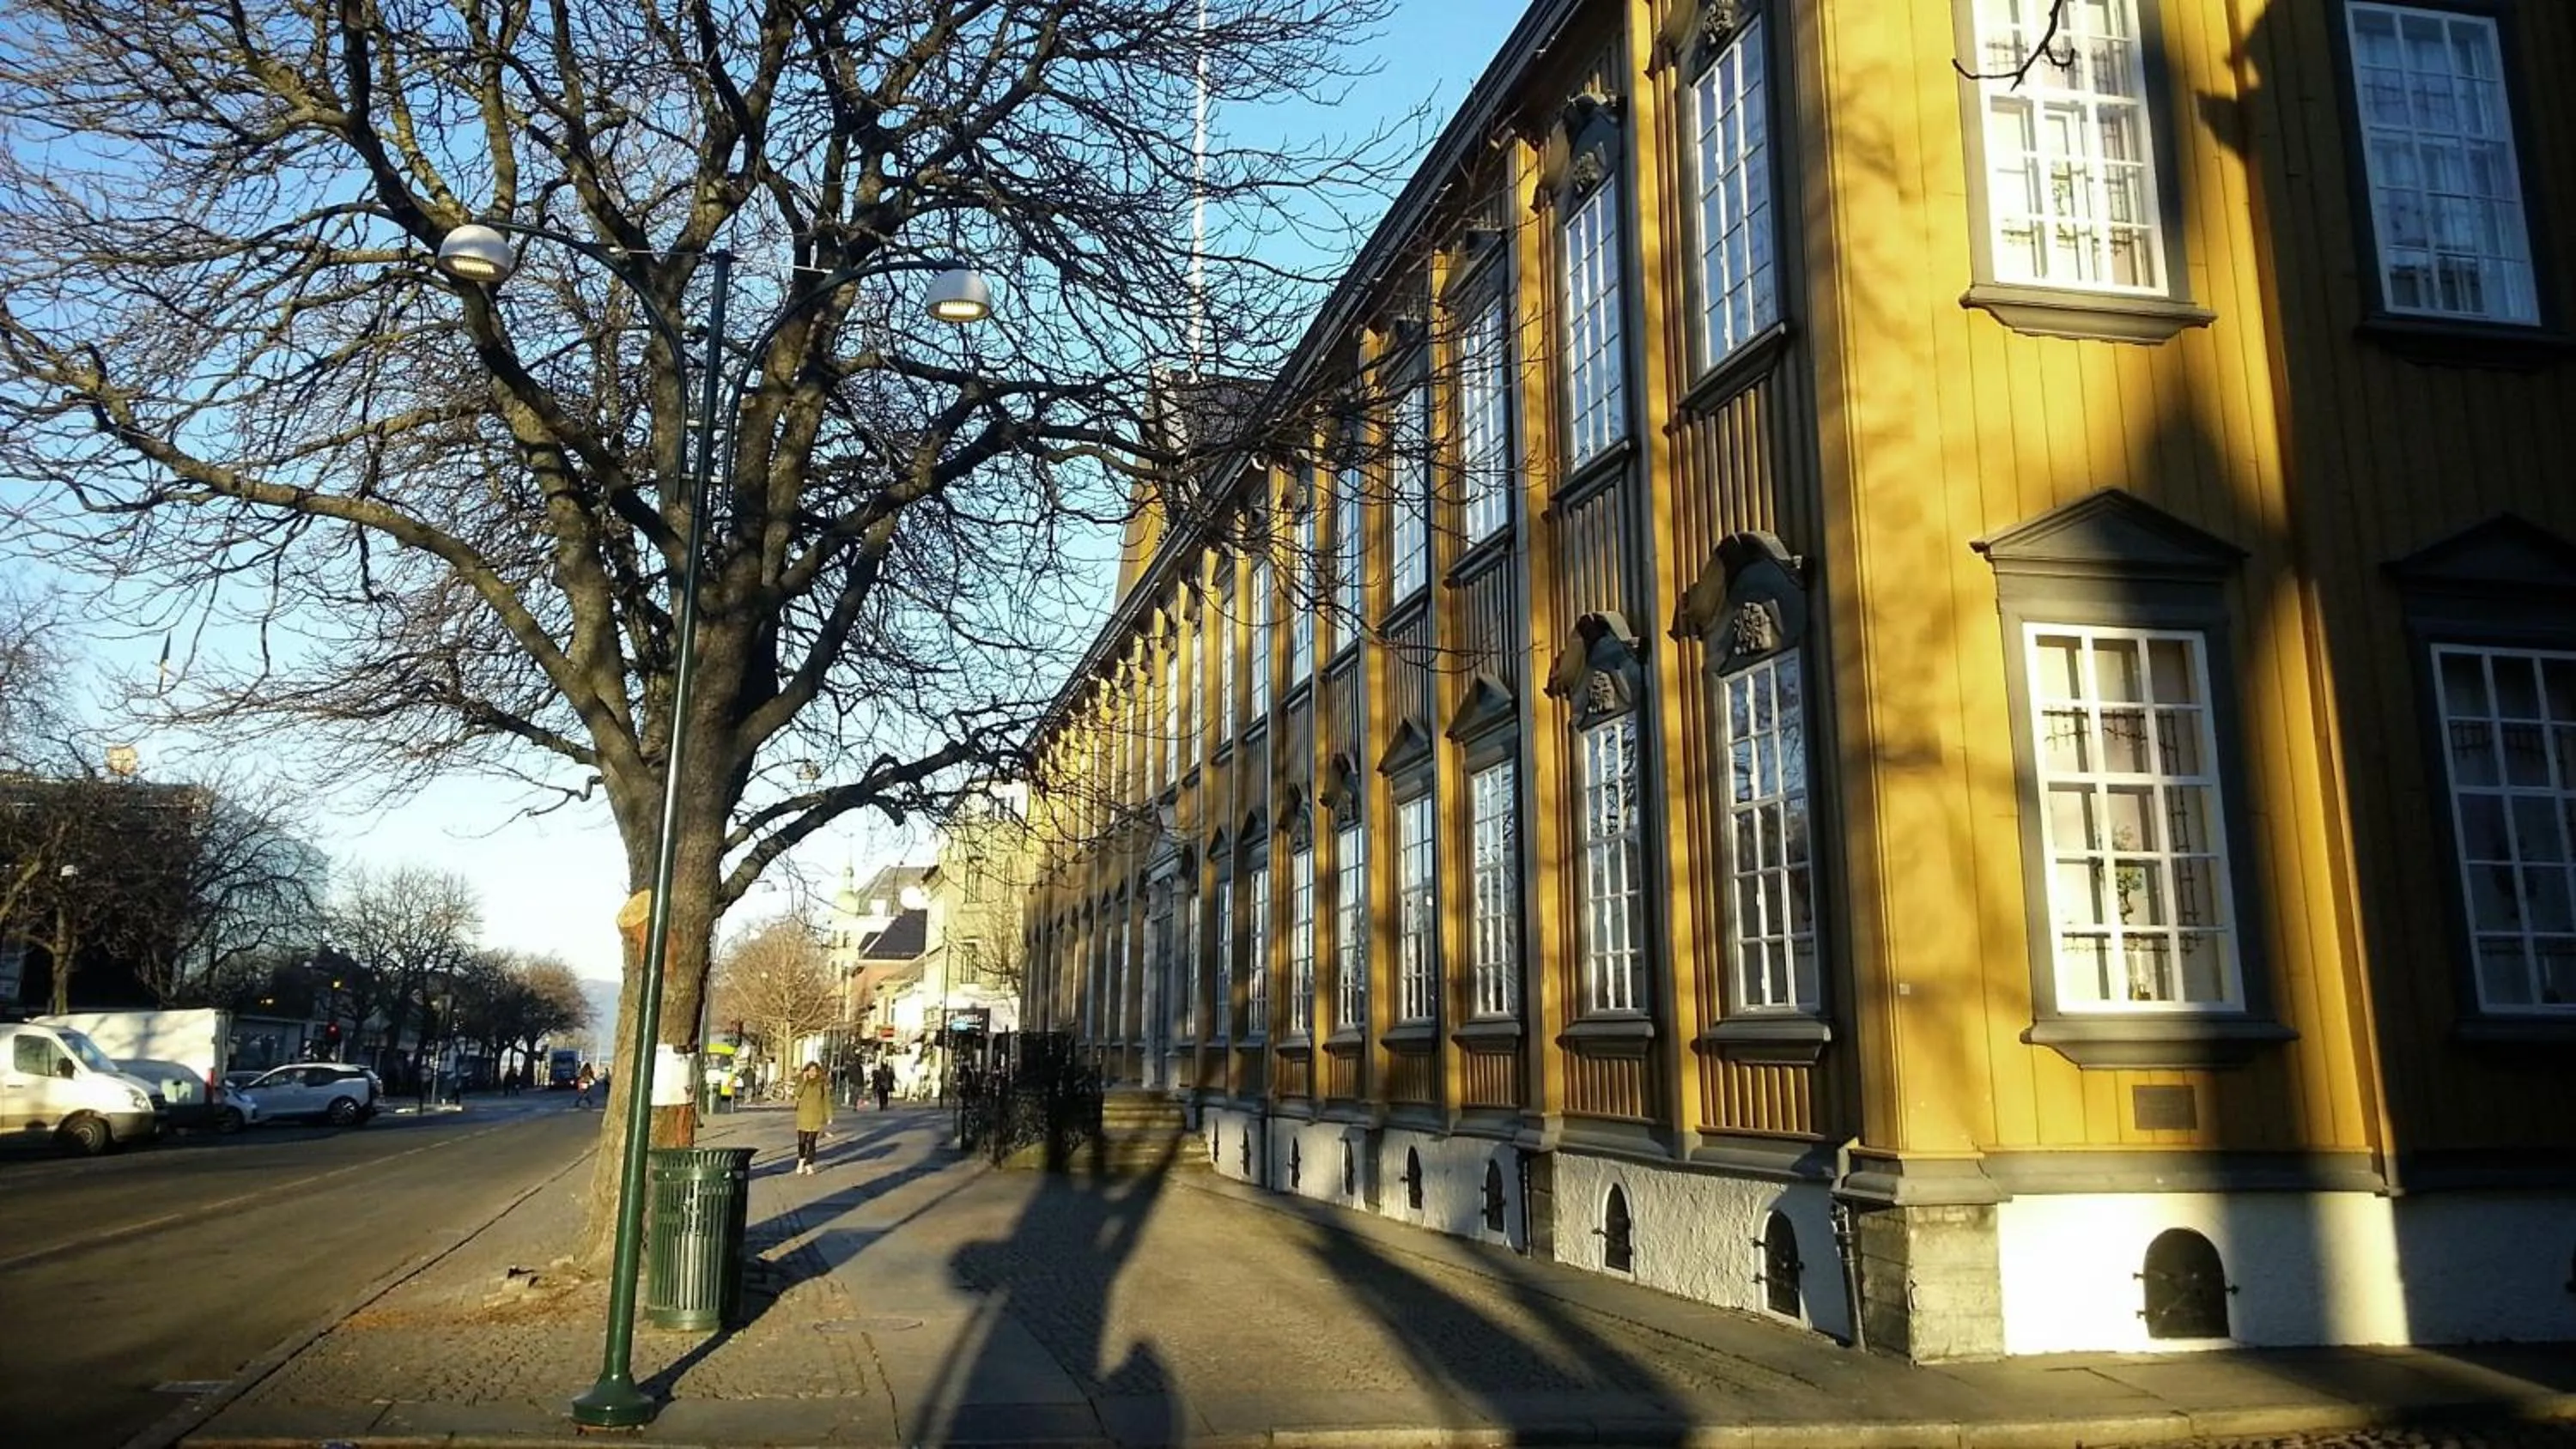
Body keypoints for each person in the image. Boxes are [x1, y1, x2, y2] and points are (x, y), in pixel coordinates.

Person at [793, 1061, 830, 1175]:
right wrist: (804, 1081)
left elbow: (826, 1100)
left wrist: (829, 1115)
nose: (812, 1073)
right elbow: (797, 1093)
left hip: (816, 1116)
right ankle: (801, 1161)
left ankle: (809, 1164)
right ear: (806, 1071)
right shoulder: (801, 1081)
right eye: (810, 1070)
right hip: (803, 1116)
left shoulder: (822, 1084)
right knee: (802, 1141)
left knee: (812, 1142)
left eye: (815, 1071)